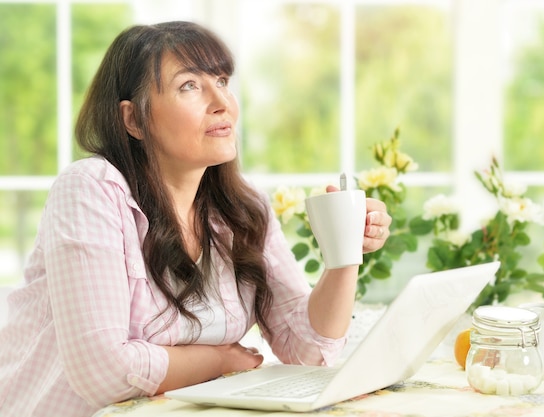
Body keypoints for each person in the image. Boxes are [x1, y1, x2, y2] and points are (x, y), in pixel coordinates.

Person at [0, 21, 391, 417]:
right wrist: (218, 361)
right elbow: (101, 372)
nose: (222, 101)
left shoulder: (243, 208)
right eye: (188, 85)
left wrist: (345, 256)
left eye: (222, 80)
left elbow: (309, 352)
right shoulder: (92, 190)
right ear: (133, 119)